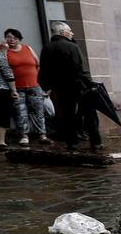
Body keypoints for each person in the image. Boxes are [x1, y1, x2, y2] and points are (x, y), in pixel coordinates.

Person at [38, 21, 101, 150]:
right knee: (89, 114)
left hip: (60, 88)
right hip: (78, 86)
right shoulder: (72, 47)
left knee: (67, 115)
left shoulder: (47, 48)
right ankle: (96, 141)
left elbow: (44, 70)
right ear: (62, 32)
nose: (72, 33)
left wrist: (46, 86)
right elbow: (80, 68)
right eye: (69, 30)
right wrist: (90, 84)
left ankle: (71, 142)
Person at [0, 28, 49, 146]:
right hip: (16, 88)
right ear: (4, 38)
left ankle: (42, 135)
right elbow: (2, 66)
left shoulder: (27, 48)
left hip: (34, 85)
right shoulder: (0, 50)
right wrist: (5, 50)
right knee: (20, 112)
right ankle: (24, 136)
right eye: (9, 37)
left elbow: (38, 64)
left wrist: (41, 82)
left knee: (39, 111)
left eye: (15, 38)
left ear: (19, 39)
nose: (12, 40)